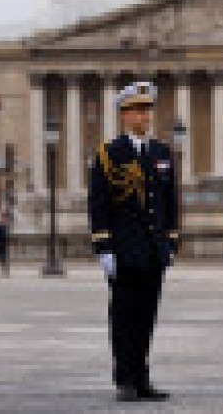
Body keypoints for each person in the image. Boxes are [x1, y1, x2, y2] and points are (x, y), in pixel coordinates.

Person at [88, 81, 178, 403]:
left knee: (146, 318)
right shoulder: (109, 154)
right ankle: (125, 378)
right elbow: (99, 205)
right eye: (139, 112)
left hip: (153, 250)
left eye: (147, 111)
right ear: (124, 116)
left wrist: (171, 242)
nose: (145, 117)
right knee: (124, 318)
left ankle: (141, 378)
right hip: (125, 251)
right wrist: (104, 248)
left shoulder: (161, 153)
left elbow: (169, 202)